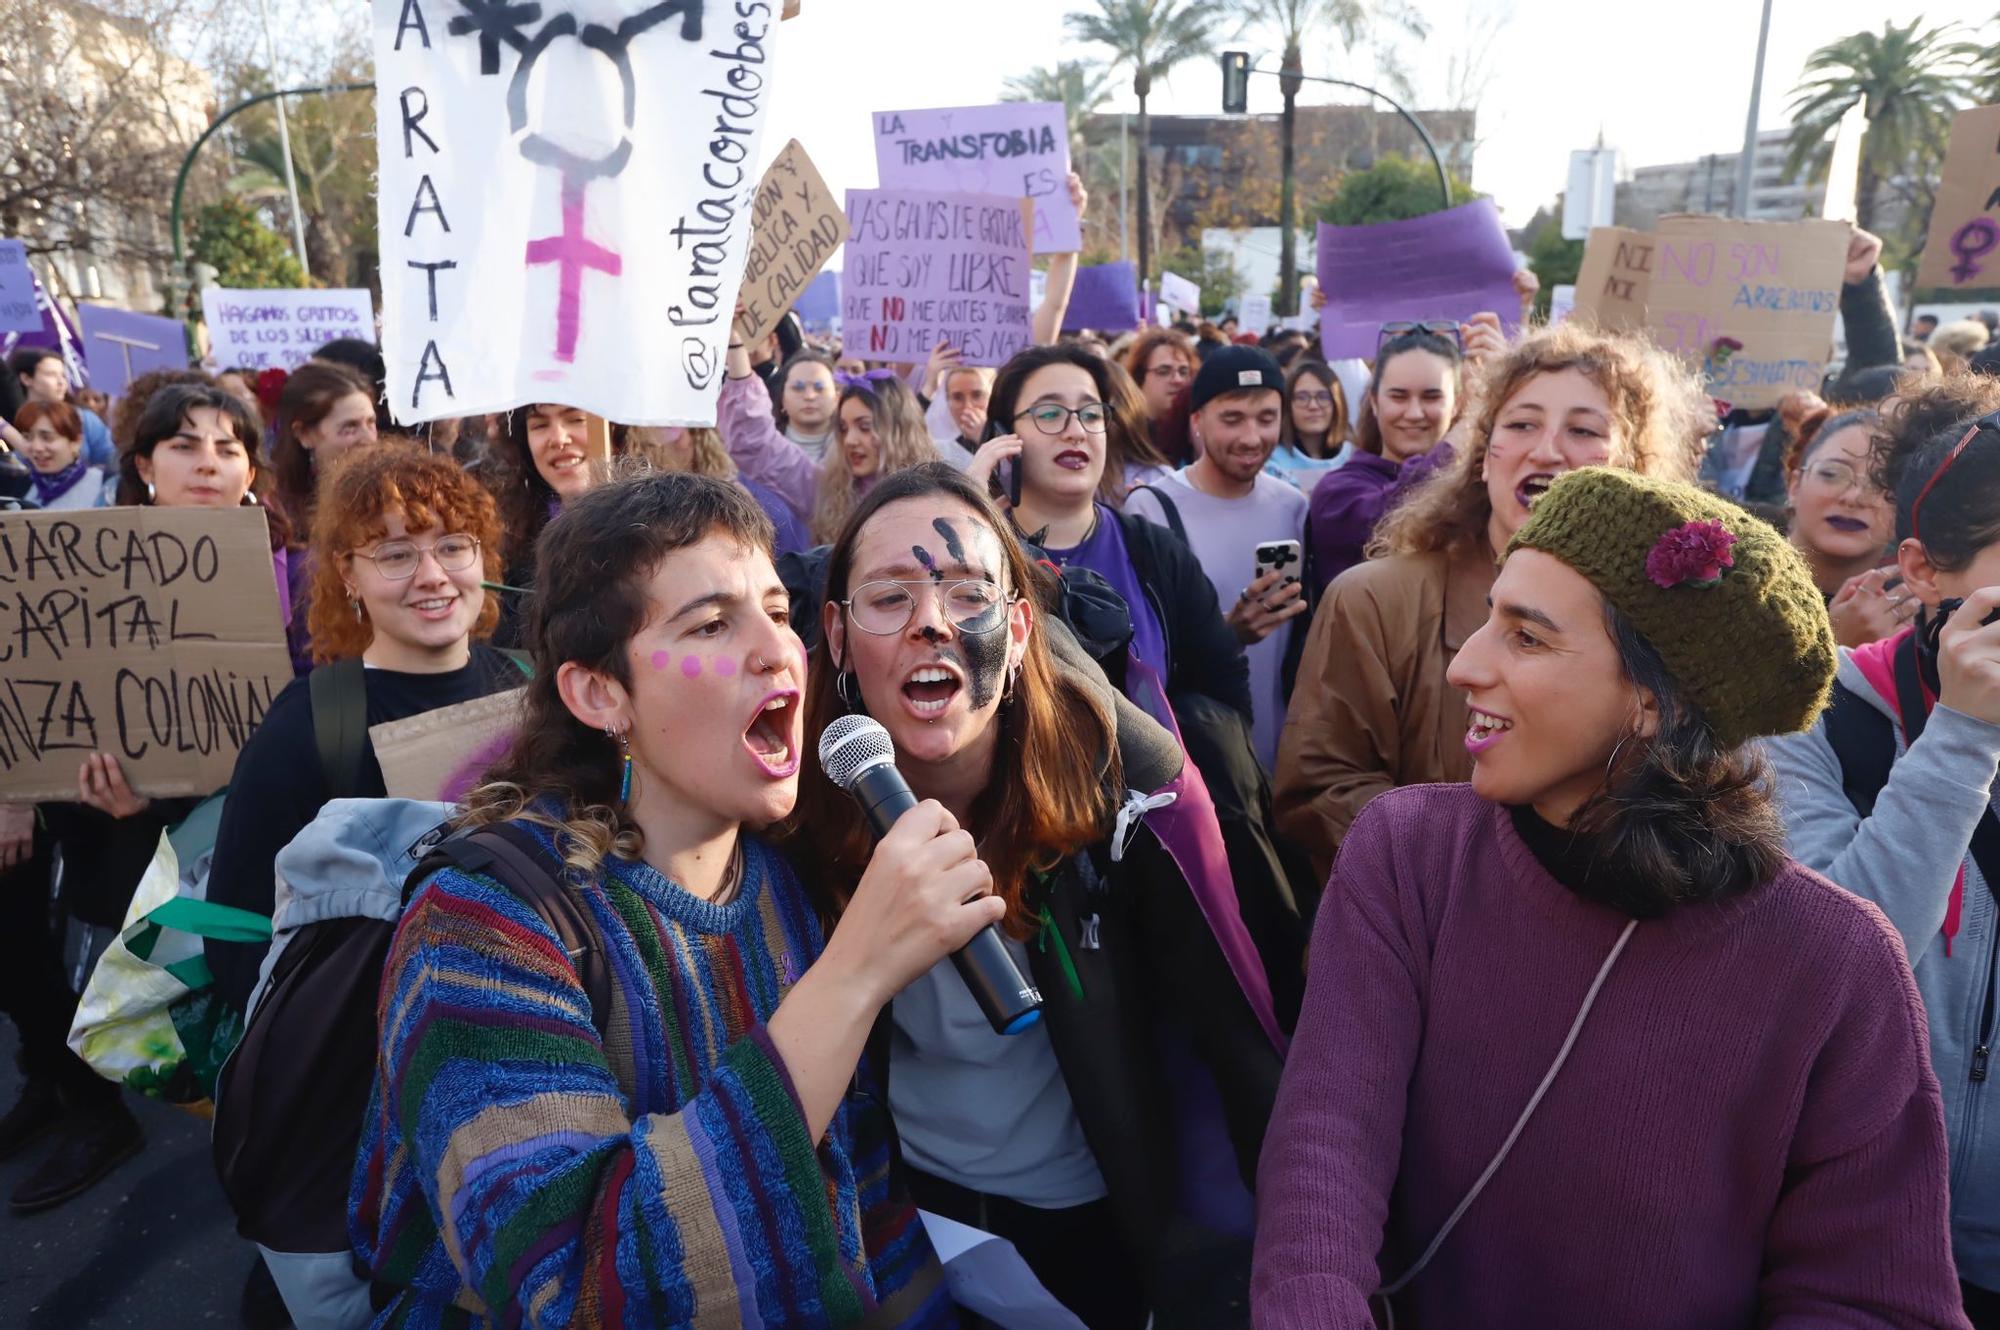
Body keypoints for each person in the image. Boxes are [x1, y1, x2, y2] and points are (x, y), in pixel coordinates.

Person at [1255, 466, 1966, 1329]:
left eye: (1527, 638)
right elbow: (1329, 1139)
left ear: (1652, 701)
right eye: (1490, 616)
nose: (1464, 666)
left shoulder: (1835, 960)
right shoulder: (1408, 853)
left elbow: (1865, 1296)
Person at [349, 470, 998, 1327]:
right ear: (599, 693)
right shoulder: (480, 925)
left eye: (776, 609)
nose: (776, 650)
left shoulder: (782, 881)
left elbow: (855, 1192)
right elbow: (571, 1287)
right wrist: (851, 980)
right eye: (712, 624)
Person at [786, 463, 1283, 1328]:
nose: (931, 623)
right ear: (835, 634)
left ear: (1018, 630)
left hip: (1097, 1213)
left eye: (967, 592)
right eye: (889, 598)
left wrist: (1278, 1270)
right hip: (899, 1214)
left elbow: (1239, 1043)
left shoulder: (1124, 780)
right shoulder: (797, 794)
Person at [1275, 323, 1709, 884]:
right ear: (1483, 456)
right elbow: (1318, 791)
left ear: (1632, 466)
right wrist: (1488, 878)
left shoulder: (1666, 627)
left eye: (1583, 430)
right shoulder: (1372, 600)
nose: (1548, 449)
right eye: (1522, 423)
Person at [0, 381, 288, 1215]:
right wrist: (25, 784)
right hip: (113, 825)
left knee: (229, 998)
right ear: (143, 466)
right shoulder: (73, 556)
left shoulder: (288, 571)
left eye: (227, 448)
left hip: (238, 837)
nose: (208, 463)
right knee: (136, 987)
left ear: (250, 471)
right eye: (186, 446)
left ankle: (260, 1162)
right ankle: (86, 1088)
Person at [1767, 372, 2000, 1323]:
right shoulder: (1806, 718)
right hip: (1872, 1244)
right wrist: (1964, 739)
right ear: (1924, 569)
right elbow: (1832, 964)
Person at [203, 443, 519, 1015]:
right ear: (349, 574)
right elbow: (236, 934)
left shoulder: (533, 688)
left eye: (453, 547)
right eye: (396, 555)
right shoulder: (311, 725)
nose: (432, 576)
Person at [968, 344, 1249, 722]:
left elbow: (1222, 685)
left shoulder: (1155, 550)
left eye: (1090, 413)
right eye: (1049, 414)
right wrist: (966, 512)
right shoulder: (978, 550)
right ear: (1003, 436)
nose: (1075, 432)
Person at [1126, 346, 1309, 771]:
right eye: (1232, 419)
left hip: (1280, 758)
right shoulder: (1150, 510)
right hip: (1197, 757)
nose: (1251, 437)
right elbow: (1140, 659)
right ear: (1197, 422)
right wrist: (1226, 636)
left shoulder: (1293, 507)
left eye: (1266, 418)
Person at [719, 345, 938, 544]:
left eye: (864, 427)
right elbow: (757, 443)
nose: (850, 440)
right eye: (843, 428)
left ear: (898, 429)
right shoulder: (827, 491)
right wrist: (737, 347)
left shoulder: (937, 496)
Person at [1305, 325, 1464, 591]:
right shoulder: (1336, 494)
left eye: (1431, 396)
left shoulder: (1482, 487)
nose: (1414, 413)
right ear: (1375, 402)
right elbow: (1399, 514)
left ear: (1457, 404)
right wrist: (1467, 432)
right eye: (1398, 396)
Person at [1783, 408, 1904, 647]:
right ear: (1794, 486)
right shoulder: (1728, 581)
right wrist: (1838, 646)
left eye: (1882, 483)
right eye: (1833, 474)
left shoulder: (1910, 619)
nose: (1855, 497)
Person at [9, 347, 112, 468]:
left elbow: (109, 463)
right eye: (51, 374)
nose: (61, 382)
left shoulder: (84, 419)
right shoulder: (10, 421)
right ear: (26, 379)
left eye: (63, 375)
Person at [1265, 360, 1349, 495]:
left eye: (1323, 396)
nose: (1313, 406)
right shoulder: (1271, 462)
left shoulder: (1352, 457)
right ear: (1287, 404)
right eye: (1302, 397)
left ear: (1337, 402)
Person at [13, 399, 105, 509]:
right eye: (27, 437)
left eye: (47, 438)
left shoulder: (104, 487)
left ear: (76, 441)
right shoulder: (17, 488)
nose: (37, 447)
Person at [1121, 328, 1197, 453]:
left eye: (1184, 371)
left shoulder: (1197, 433)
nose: (1178, 380)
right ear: (1139, 378)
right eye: (1164, 371)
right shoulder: (1124, 435)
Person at [768, 348, 840, 461]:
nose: (809, 396)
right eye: (798, 388)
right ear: (782, 399)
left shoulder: (852, 450)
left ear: (836, 398)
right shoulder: (763, 452)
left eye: (819, 388)